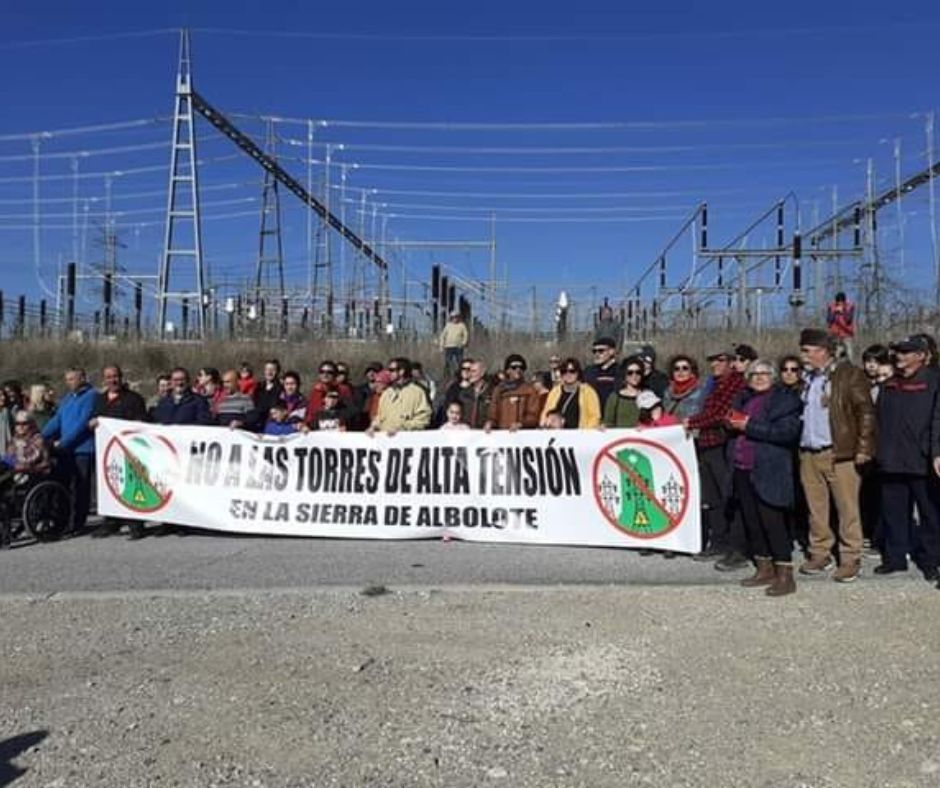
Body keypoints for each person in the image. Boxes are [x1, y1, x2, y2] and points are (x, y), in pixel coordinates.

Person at [797, 328, 875, 583]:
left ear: (823, 351)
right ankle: (820, 551)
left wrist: (863, 448)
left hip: (839, 452)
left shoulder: (849, 375)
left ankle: (850, 556)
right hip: (809, 451)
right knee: (816, 508)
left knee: (847, 507)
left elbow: (865, 411)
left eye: (808, 350)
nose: (803, 355)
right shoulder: (807, 378)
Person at [726, 359, 803, 596]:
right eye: (754, 374)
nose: (759, 378)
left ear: (773, 377)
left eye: (765, 373)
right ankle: (764, 568)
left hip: (769, 467)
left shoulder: (785, 400)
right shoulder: (743, 399)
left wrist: (748, 426)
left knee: (772, 522)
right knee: (753, 522)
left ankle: (785, 574)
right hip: (742, 467)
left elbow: (786, 433)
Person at [875, 335, 940, 584]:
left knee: (930, 515)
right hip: (891, 458)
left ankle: (931, 560)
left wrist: (935, 451)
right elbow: (878, 419)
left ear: (921, 355)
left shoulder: (934, 381)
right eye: (898, 351)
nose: (900, 356)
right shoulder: (889, 384)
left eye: (906, 352)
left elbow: (938, 420)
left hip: (922, 460)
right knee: (893, 512)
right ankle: (895, 558)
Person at [686, 349, 747, 567]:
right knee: (712, 498)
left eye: (720, 360)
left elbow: (720, 414)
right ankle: (718, 540)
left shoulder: (736, 384)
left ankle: (735, 545)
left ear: (731, 362)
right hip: (707, 444)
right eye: (712, 360)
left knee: (728, 495)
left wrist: (691, 422)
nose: (714, 364)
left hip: (723, 445)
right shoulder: (713, 384)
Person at [88, 365, 148, 539]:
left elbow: (141, 423)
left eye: (115, 376)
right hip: (107, 452)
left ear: (121, 378)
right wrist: (92, 423)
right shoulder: (99, 400)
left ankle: (136, 524)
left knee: (132, 487)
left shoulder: (134, 399)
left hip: (129, 451)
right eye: (108, 377)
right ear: (104, 380)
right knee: (109, 485)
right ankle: (111, 521)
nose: (112, 380)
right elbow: (93, 419)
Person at [41, 367, 97, 534]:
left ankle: (78, 523)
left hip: (82, 449)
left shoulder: (92, 396)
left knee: (80, 488)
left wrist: (64, 442)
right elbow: (56, 420)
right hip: (66, 451)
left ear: (82, 378)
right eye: (67, 379)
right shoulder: (67, 399)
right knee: (64, 487)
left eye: (73, 379)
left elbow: (82, 424)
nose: (69, 382)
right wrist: (39, 436)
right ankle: (63, 521)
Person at [0, 412, 51, 547]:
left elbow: (40, 460)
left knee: (5, 499)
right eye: (18, 424)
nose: (20, 427)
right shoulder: (14, 440)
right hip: (14, 474)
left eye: (24, 424)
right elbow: (8, 458)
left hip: (33, 473)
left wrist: (22, 465)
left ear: (30, 424)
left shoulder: (37, 439)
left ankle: (5, 536)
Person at [369, 358, 433, 434]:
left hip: (405, 441)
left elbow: (423, 418)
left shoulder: (418, 392)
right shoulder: (386, 393)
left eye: (392, 370)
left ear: (402, 371)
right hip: (386, 441)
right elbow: (379, 417)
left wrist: (403, 427)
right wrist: (373, 427)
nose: (389, 373)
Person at [540, 358, 601, 429]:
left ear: (578, 373)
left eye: (572, 371)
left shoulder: (588, 392)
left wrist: (585, 433)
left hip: (580, 435)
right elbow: (546, 413)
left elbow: (594, 417)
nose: (568, 374)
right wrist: (544, 425)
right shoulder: (555, 391)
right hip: (557, 434)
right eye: (564, 371)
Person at [485, 354, 541, 431]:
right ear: (508, 370)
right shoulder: (499, 390)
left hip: (522, 435)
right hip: (502, 435)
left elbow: (533, 415)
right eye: (514, 368)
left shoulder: (530, 390)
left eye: (521, 368)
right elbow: (493, 413)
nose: (518, 370)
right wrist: (490, 422)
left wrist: (522, 424)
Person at [603, 356, 647, 428]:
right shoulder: (615, 397)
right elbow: (608, 423)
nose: (634, 375)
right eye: (630, 373)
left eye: (638, 372)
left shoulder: (648, 396)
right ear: (624, 374)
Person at [662, 355, 706, 421]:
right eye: (676, 369)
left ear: (692, 373)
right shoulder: (667, 393)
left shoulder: (701, 393)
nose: (680, 371)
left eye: (685, 368)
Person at [584, 337, 621, 409]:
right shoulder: (588, 371)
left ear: (612, 351)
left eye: (601, 351)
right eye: (594, 351)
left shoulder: (621, 371)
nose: (597, 354)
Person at [457, 360, 494, 429]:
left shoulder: (492, 392)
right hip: (467, 432)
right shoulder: (464, 393)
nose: (470, 374)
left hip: (485, 432)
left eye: (473, 371)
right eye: (469, 371)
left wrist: (491, 422)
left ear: (482, 373)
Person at [439, 311, 469, 379]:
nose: (455, 319)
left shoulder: (462, 325)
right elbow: (443, 336)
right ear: (451, 318)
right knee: (448, 362)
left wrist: (464, 343)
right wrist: (441, 346)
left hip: (458, 347)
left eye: (456, 317)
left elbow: (466, 335)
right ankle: (446, 376)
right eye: (453, 317)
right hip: (449, 346)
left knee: (460, 362)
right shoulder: (448, 325)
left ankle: (461, 375)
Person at [826, 291, 856, 359]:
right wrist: (834, 312)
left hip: (847, 333)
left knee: (849, 351)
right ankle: (836, 366)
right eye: (838, 301)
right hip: (835, 334)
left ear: (844, 301)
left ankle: (850, 365)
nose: (840, 303)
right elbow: (829, 320)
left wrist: (843, 311)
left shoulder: (850, 307)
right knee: (836, 352)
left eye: (841, 301)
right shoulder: (831, 307)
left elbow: (848, 320)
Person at [253, 359, 283, 425]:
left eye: (272, 370)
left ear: (277, 371)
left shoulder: (281, 388)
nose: (269, 372)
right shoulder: (259, 387)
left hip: (272, 423)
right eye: (267, 369)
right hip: (256, 422)